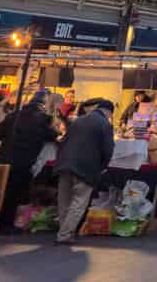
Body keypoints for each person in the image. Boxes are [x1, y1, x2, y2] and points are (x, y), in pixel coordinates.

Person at [0, 91, 59, 232]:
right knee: (15, 194)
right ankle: (6, 224)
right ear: (44, 105)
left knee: (0, 192)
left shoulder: (13, 116)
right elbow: (53, 135)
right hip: (24, 161)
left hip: (4, 159)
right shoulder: (43, 118)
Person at [53, 98, 115, 245]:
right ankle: (64, 235)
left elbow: (63, 141)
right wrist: (103, 166)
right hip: (85, 167)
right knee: (79, 201)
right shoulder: (105, 124)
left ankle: (64, 231)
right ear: (109, 112)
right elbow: (108, 149)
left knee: (64, 200)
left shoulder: (78, 121)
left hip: (64, 164)